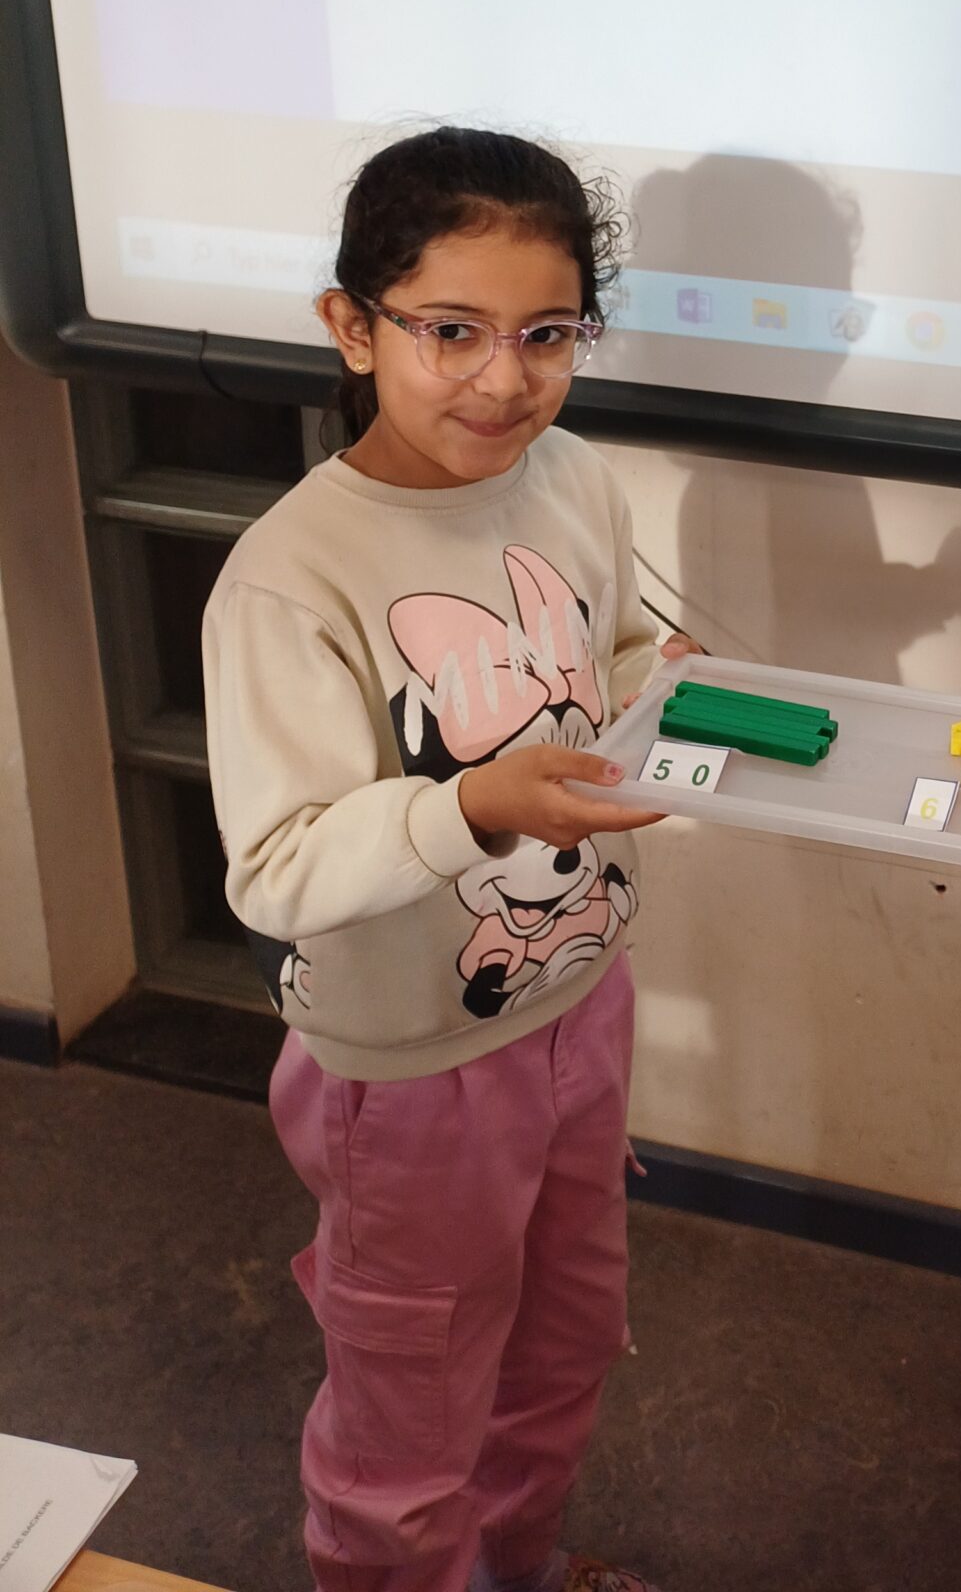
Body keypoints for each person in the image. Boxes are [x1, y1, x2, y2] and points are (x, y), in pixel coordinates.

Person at [205, 126, 689, 1592]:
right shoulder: (292, 577)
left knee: (561, 1347)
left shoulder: (573, 480)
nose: (504, 379)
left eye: (548, 334)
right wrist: (472, 807)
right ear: (353, 328)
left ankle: (519, 1569)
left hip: (579, 1000)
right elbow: (278, 867)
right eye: (451, 331)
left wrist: (667, 688)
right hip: (409, 1074)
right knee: (407, 1421)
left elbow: (613, 656)